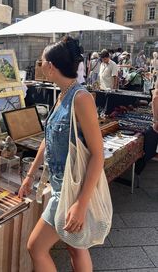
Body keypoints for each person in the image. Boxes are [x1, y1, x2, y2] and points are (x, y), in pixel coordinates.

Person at [18, 36, 104, 272]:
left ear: (51, 66)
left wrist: (80, 203)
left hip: (71, 192)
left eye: (42, 60)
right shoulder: (63, 95)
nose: (40, 63)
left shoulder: (81, 98)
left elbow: (98, 154)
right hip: (60, 187)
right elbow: (48, 140)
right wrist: (30, 176)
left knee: (35, 248)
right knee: (75, 246)